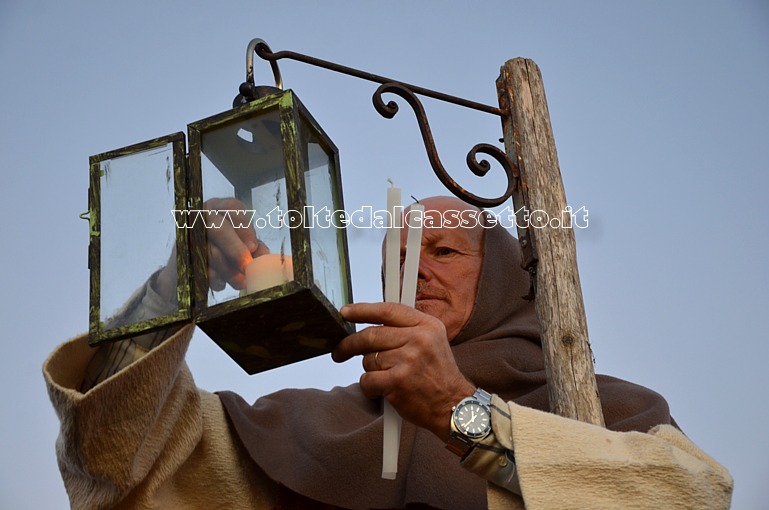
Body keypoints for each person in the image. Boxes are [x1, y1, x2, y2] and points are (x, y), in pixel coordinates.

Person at [43, 196, 733, 509]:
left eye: (444, 252)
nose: (417, 269)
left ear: (500, 275)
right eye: (399, 255)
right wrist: (174, 288)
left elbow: (695, 495)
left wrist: (463, 415)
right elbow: (123, 457)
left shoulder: (598, 407)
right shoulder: (312, 429)